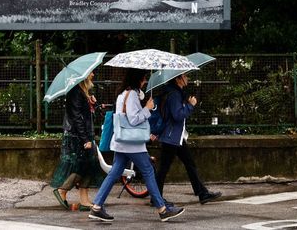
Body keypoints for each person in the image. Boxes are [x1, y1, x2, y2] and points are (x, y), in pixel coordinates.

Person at [88, 68, 185, 223]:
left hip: (122, 142)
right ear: (137, 79)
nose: (145, 81)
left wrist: (146, 106)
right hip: (131, 143)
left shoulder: (122, 94)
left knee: (114, 173)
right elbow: (134, 119)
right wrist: (146, 109)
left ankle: (97, 207)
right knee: (148, 170)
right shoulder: (131, 95)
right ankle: (162, 209)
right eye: (144, 78)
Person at [155, 73, 222, 205]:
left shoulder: (175, 92)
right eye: (185, 76)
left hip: (176, 137)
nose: (187, 79)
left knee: (189, 163)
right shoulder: (174, 94)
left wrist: (186, 103)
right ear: (177, 79)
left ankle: (202, 193)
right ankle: (156, 198)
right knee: (164, 168)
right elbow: (178, 115)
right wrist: (190, 105)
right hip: (172, 137)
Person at [50, 72, 105, 211]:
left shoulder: (83, 92)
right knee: (83, 164)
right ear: (84, 76)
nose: (93, 74)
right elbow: (76, 118)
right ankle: (63, 190)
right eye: (91, 72)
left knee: (88, 165)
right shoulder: (75, 92)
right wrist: (85, 139)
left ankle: (83, 199)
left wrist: (93, 103)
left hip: (84, 134)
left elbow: (86, 115)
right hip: (77, 136)